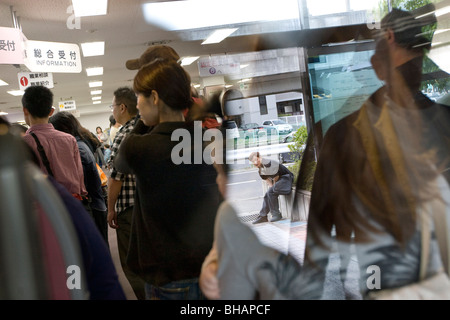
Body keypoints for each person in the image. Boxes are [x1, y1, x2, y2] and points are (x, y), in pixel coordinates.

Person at [200, 8, 450, 300]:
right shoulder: (437, 123)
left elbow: (319, 242)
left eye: (377, 40)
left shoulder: (347, 133)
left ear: (390, 39)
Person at [114, 58, 221, 300]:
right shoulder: (203, 137)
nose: (137, 105)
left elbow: (120, 164)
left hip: (171, 277)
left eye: (139, 97)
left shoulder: (140, 147)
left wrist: (143, 123)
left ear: (154, 97)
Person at [106, 86, 145, 300]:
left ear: (122, 107)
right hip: (147, 206)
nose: (112, 110)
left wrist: (110, 209)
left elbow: (116, 177)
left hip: (129, 210)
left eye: (113, 106)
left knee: (132, 264)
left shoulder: (124, 134)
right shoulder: (146, 128)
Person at [49, 111, 109, 246]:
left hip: (93, 204)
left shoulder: (78, 147)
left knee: (97, 249)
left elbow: (82, 180)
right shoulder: (82, 142)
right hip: (97, 202)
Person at [21, 86, 87, 201]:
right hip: (71, 201)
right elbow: (79, 175)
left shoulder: (23, 143)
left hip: (43, 206)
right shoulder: (69, 139)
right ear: (51, 111)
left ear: (25, 110)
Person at [249, 151, 294, 224]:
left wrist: (272, 189)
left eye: (256, 159)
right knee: (268, 194)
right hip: (279, 181)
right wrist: (271, 189)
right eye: (253, 161)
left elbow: (276, 177)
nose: (255, 162)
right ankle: (263, 216)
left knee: (271, 191)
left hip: (286, 178)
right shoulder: (260, 170)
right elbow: (268, 181)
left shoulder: (268, 163)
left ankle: (276, 215)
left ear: (260, 157)